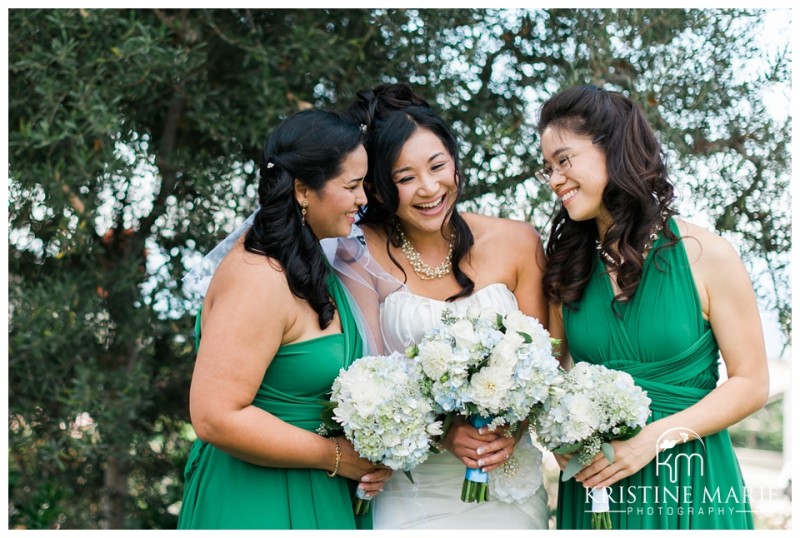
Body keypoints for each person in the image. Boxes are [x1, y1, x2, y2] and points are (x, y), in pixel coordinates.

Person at [536, 84, 769, 529]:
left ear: (614, 147)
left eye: (564, 161)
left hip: (689, 483)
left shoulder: (707, 254)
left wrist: (651, 441)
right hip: (595, 490)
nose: (554, 180)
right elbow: (548, 380)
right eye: (546, 168)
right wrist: (557, 438)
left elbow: (752, 383)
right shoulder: (565, 270)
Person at [326, 83, 550, 529]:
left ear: (455, 160)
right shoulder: (359, 254)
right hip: (412, 488)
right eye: (405, 178)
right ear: (379, 186)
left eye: (437, 166)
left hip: (506, 481)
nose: (429, 188)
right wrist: (445, 434)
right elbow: (362, 373)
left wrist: (510, 431)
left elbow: (549, 358)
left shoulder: (516, 241)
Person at [177, 109, 391, 529]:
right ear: (302, 190)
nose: (363, 198)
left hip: (320, 489)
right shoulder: (257, 277)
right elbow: (214, 416)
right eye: (351, 185)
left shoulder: (312, 265)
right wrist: (335, 456)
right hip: (257, 498)